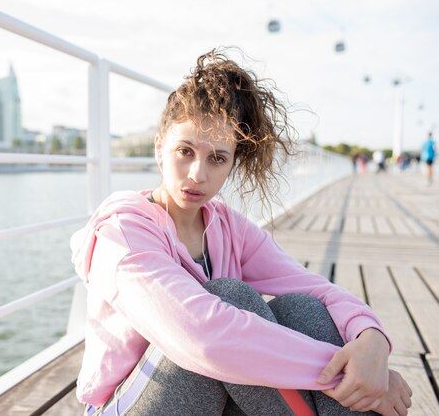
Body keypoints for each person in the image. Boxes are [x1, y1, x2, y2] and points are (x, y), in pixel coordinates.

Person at [71, 48, 412, 415]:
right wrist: (349, 372)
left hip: (212, 401)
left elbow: (317, 289)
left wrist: (371, 341)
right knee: (228, 298)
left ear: (233, 163)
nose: (198, 174)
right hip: (132, 403)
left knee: (302, 309)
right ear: (159, 148)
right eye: (185, 151)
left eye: (217, 158)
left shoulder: (227, 227)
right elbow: (202, 338)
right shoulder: (122, 233)